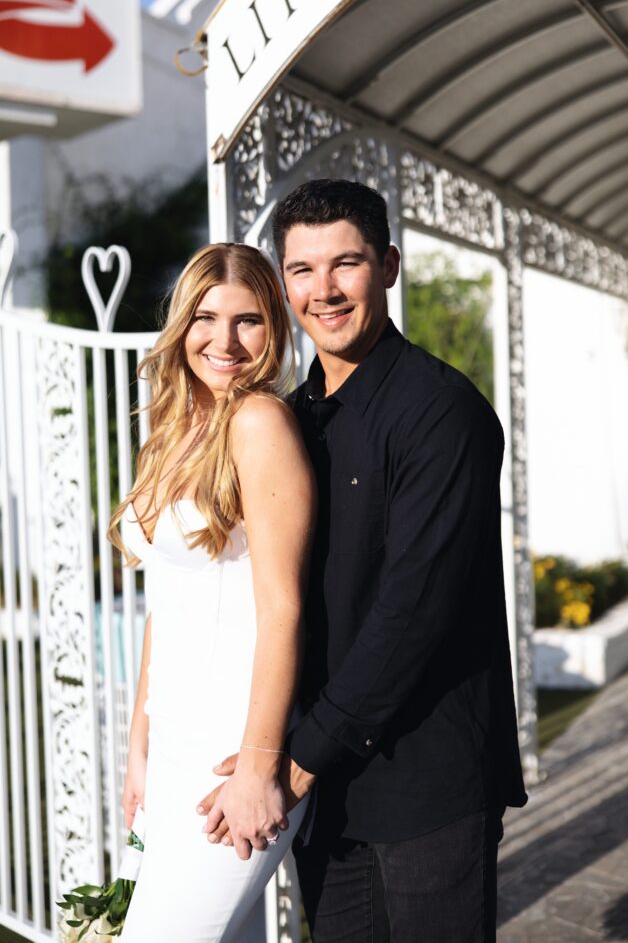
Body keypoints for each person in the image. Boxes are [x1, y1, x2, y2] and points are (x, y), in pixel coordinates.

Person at [202, 179, 527, 942]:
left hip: (425, 778)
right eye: (302, 271)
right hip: (327, 784)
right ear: (283, 283)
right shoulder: (294, 416)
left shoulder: (442, 413)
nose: (324, 291)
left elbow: (412, 611)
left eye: (344, 264)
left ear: (387, 265)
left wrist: (297, 763)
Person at [109, 243, 316, 942]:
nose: (223, 341)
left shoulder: (259, 424)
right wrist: (139, 743)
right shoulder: (169, 432)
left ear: (274, 331)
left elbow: (283, 607)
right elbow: (163, 604)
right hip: (170, 749)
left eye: (248, 320)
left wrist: (259, 767)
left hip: (231, 755)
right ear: (181, 324)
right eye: (205, 317)